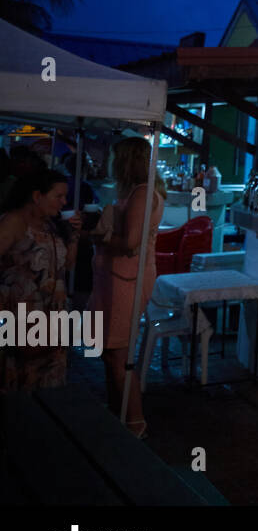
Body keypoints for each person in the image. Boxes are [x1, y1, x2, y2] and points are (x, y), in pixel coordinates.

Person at [89, 137, 165, 436]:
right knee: (111, 352)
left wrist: (98, 237)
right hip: (120, 278)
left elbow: (131, 243)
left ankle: (134, 422)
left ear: (124, 160)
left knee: (120, 354)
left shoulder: (142, 193)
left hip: (126, 281)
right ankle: (117, 414)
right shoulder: (140, 192)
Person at [0, 168, 81, 391]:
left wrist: (74, 237)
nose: (64, 202)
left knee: (49, 386)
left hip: (53, 317)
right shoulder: (14, 222)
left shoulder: (51, 224)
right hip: (23, 319)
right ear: (37, 196)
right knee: (21, 387)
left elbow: (65, 266)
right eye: (59, 196)